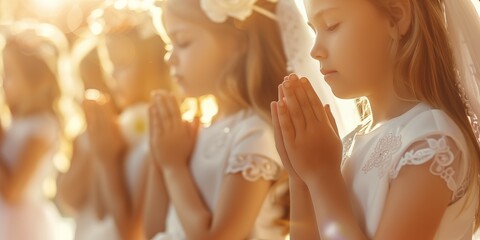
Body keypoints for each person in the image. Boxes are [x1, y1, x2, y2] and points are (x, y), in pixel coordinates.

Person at [271, 0, 480, 239]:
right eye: (313, 30)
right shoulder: (351, 140)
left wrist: (321, 176)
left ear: (396, 19)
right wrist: (301, 177)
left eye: (331, 25)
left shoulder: (430, 141)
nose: (315, 49)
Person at [145, 0, 296, 239]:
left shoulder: (255, 133)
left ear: (236, 44)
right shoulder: (195, 131)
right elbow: (153, 231)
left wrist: (174, 167)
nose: (169, 58)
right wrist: (160, 156)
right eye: (168, 44)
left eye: (182, 42)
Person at [59, 2, 172, 239]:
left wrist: (107, 160)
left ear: (154, 64)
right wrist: (95, 149)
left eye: (121, 64)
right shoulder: (113, 127)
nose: (111, 75)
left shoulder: (161, 134)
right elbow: (85, 204)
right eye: (109, 64)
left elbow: (132, 232)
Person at [0, 22, 67, 240]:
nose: (3, 83)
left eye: (9, 74)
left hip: (21, 226)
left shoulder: (43, 127)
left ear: (33, 79)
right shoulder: (15, 122)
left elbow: (13, 191)